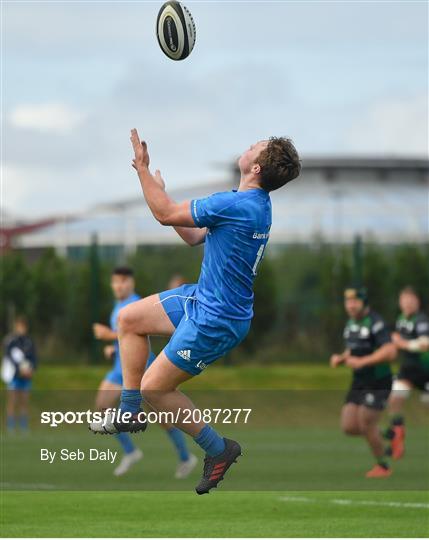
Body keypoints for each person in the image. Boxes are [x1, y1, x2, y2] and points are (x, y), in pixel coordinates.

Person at [90, 129, 301, 494]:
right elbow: (188, 232)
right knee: (129, 319)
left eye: (255, 146)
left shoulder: (237, 205)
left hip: (216, 320)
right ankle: (128, 411)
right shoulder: (252, 204)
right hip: (201, 299)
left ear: (254, 167)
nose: (248, 144)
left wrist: (141, 169)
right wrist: (166, 201)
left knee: (154, 388)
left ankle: (219, 450)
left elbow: (163, 214)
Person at [92, 266, 196, 478]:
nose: (119, 285)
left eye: (123, 281)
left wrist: (108, 336)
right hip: (118, 369)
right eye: (115, 282)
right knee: (101, 406)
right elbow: (127, 340)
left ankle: (186, 457)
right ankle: (131, 452)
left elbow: (139, 332)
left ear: (131, 283)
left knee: (163, 418)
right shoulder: (117, 306)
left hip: (140, 370)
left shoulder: (135, 304)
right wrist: (114, 348)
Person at [330, 288, 397, 478]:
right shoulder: (351, 323)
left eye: (355, 301)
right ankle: (390, 435)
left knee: (367, 421)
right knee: (349, 426)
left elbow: (390, 351)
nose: (351, 305)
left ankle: (383, 466)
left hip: (378, 380)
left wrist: (362, 362)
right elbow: (354, 349)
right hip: (359, 381)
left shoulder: (376, 323)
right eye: (347, 301)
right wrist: (342, 358)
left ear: (364, 303)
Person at [384, 286, 429, 460]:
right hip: (409, 371)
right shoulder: (401, 318)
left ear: (418, 302)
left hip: (426, 371)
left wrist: (401, 343)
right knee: (394, 400)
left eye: (412, 300)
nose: (408, 303)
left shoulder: (421, 319)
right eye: (405, 299)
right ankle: (397, 439)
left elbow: (425, 344)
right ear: (400, 302)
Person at [4, 316, 37, 433]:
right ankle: (10, 426)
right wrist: (19, 370)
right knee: (12, 401)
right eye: (19, 327)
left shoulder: (29, 341)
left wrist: (31, 370)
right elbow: (8, 357)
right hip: (14, 376)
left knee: (24, 401)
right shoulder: (10, 341)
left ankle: (23, 426)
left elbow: (34, 358)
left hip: (26, 377)